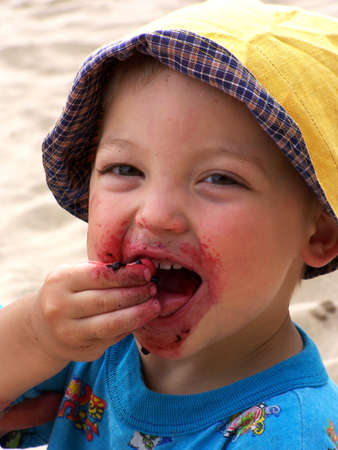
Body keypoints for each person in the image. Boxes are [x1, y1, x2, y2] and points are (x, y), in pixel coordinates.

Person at [0, 0, 337, 448]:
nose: (155, 214)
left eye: (219, 178)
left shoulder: (291, 434)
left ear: (319, 233)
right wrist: (33, 336)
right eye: (125, 169)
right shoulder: (91, 343)